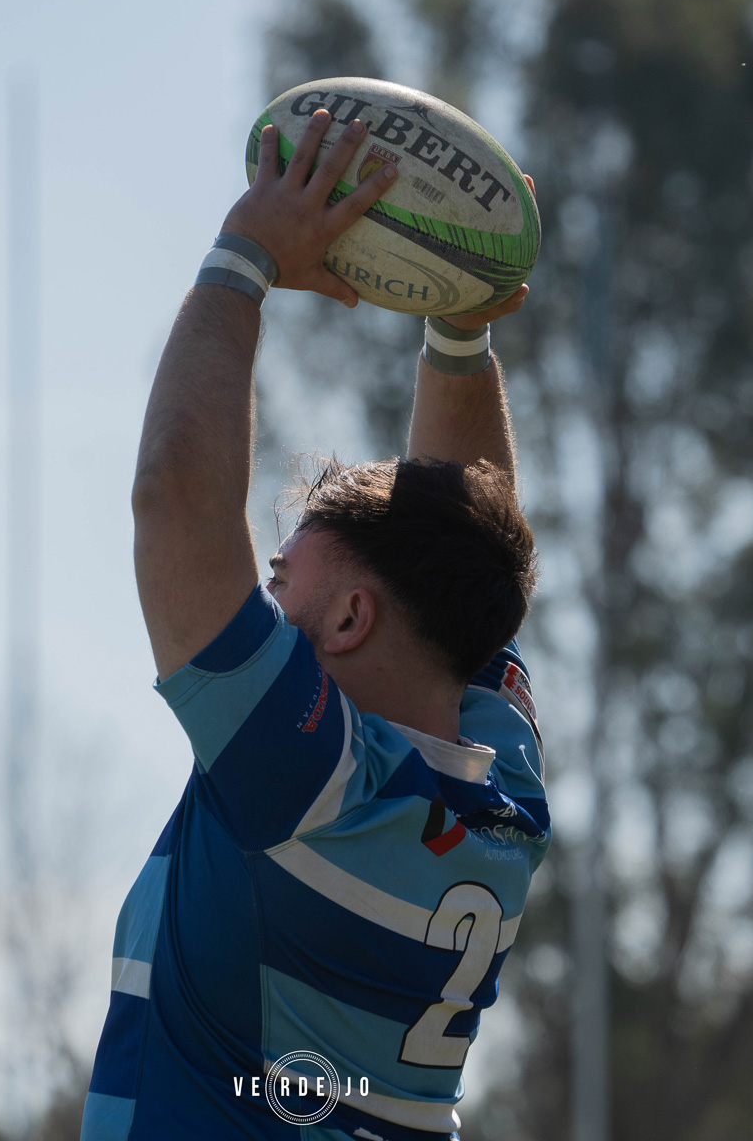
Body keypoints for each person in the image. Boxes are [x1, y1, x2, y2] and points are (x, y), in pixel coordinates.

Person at [80, 108, 550, 1140]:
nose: (264, 595)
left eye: (282, 577)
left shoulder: (305, 781)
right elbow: (471, 536)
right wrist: (459, 323)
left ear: (348, 617)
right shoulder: (502, 798)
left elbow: (174, 500)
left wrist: (245, 252)